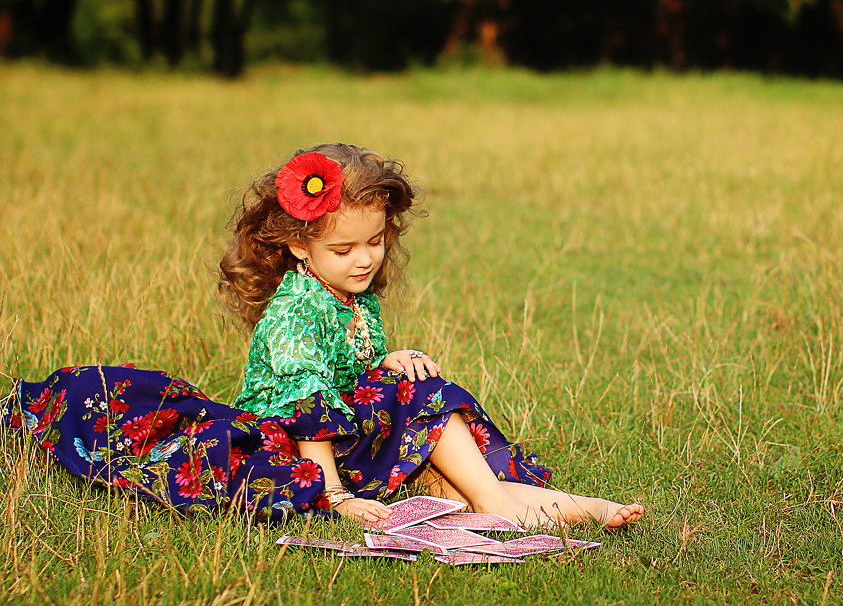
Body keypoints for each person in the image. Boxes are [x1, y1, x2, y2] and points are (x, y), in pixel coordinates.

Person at [3, 143, 643, 530]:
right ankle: (504, 505)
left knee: (433, 415)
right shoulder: (295, 314)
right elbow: (309, 405)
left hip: (340, 434)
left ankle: (553, 504)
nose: (365, 260)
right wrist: (333, 497)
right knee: (426, 406)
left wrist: (389, 361)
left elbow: (350, 375)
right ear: (298, 246)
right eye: (344, 248)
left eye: (375, 241)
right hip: (295, 446)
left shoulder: (348, 297)